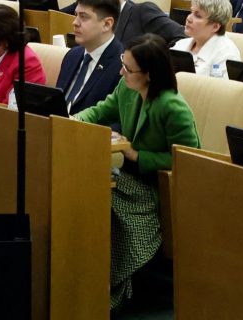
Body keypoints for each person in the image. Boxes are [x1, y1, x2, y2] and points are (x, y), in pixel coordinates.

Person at [74, 36, 200, 307]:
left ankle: (116, 288)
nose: (121, 72)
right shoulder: (126, 87)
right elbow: (99, 112)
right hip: (128, 177)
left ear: (149, 75)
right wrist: (72, 121)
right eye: (123, 64)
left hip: (154, 187)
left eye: (128, 69)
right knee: (85, 192)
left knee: (103, 203)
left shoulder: (172, 106)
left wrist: (137, 155)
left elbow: (188, 159)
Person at [56, 0, 126, 112]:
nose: (75, 22)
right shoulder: (72, 55)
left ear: (107, 24)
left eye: (83, 17)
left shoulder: (123, 66)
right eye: (76, 15)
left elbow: (119, 122)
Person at [172, 0, 239, 78]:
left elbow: (217, 89)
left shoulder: (226, 55)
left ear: (215, 27)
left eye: (198, 16)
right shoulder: (180, 44)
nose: (189, 18)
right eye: (191, 12)